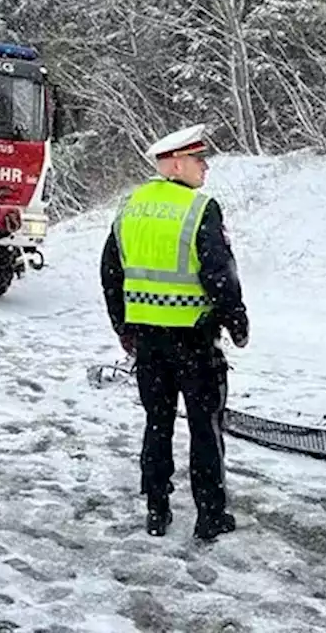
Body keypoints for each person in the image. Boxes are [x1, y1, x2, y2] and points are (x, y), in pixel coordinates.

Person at [100, 123, 249, 540]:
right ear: (177, 163)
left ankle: (156, 508)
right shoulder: (200, 209)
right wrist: (237, 320)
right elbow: (219, 275)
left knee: (157, 422)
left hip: (148, 341)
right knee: (205, 426)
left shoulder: (130, 206)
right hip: (194, 340)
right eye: (200, 160)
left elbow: (111, 272)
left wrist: (123, 327)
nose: (205, 168)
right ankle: (209, 515)